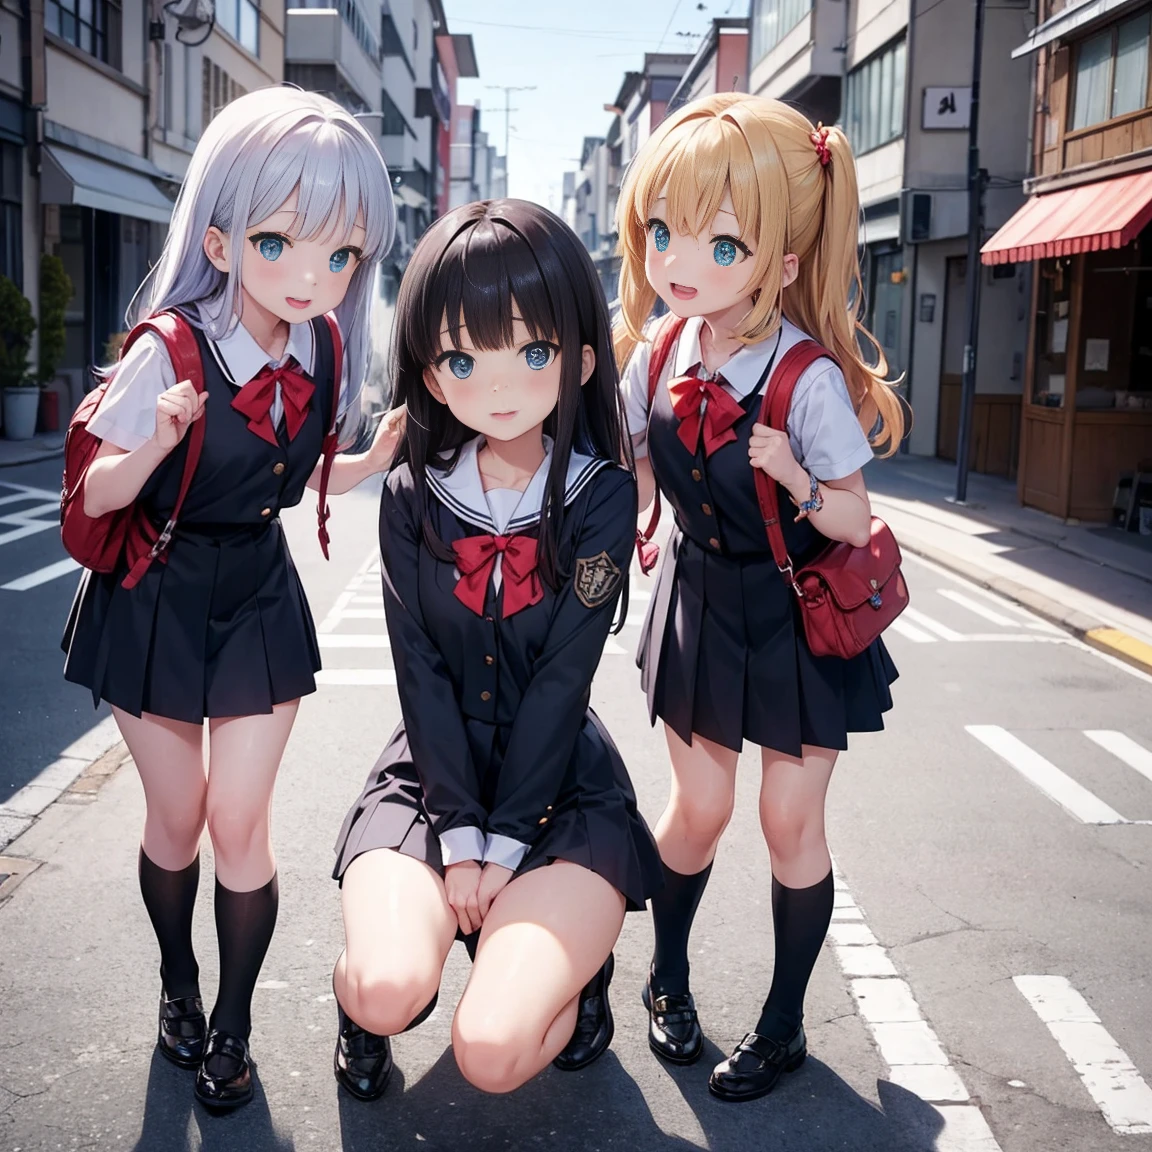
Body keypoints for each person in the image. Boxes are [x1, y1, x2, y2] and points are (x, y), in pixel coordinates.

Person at [61, 87, 401, 1112]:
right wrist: (156, 442)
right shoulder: (166, 349)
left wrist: (372, 458)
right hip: (155, 594)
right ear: (218, 238)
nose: (313, 276)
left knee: (240, 819)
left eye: (340, 255)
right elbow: (91, 494)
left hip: (255, 591)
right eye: (281, 242)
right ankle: (178, 985)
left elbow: (293, 479)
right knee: (179, 818)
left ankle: (234, 1029)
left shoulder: (325, 349)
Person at [330, 198, 664, 1100]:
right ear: (434, 378)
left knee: (492, 1053)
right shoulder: (410, 496)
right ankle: (356, 1005)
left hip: (558, 788)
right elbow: (420, 673)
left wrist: (504, 841)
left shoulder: (597, 498)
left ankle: (575, 972)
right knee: (387, 989)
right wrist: (459, 833)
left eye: (534, 351)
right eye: (464, 358)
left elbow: (564, 677)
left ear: (580, 359)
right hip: (431, 778)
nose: (501, 383)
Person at [614, 93, 905, 1103]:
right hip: (699, 598)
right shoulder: (655, 356)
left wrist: (792, 476)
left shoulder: (807, 382)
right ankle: (666, 977)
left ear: (781, 264)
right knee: (697, 810)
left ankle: (782, 1025)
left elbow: (857, 523)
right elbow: (634, 477)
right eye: (663, 231)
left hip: (791, 613)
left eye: (717, 242)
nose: (679, 260)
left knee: (789, 822)